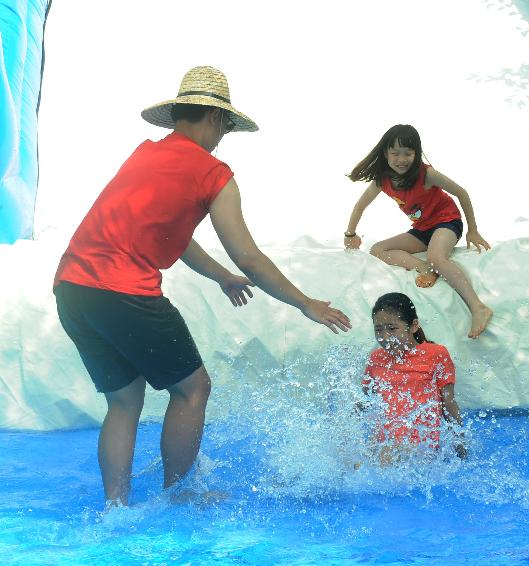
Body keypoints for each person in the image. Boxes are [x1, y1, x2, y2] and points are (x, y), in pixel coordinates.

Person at [53, 66, 352, 506]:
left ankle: (115, 506)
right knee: (193, 389)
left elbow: (171, 233)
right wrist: (304, 302)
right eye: (226, 127)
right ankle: (180, 493)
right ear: (214, 118)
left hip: (72, 290)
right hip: (125, 292)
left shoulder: (144, 154)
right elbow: (248, 254)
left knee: (124, 400)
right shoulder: (214, 173)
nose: (223, 136)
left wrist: (221, 277)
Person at [343, 124, 492, 339]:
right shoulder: (382, 179)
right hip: (422, 229)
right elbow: (360, 205)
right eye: (395, 153)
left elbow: (462, 193)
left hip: (447, 222)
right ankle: (424, 268)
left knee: (436, 257)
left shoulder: (426, 174)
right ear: (385, 153)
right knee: (378, 249)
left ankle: (478, 307)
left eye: (408, 153)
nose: (401, 159)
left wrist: (473, 230)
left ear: (416, 153)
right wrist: (350, 234)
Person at [360, 292, 466, 461]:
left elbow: (448, 404)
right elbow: (364, 401)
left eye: (392, 328)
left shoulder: (435, 354)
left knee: (383, 459)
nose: (385, 337)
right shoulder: (376, 359)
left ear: (414, 326)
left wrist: (461, 448)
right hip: (384, 443)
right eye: (378, 330)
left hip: (421, 446)